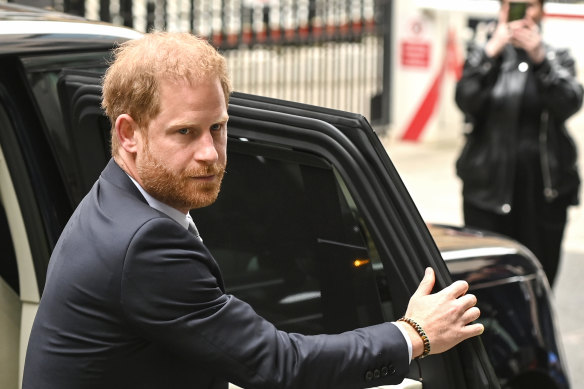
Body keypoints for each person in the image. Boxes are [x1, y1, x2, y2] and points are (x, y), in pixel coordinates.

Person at [23, 31, 483, 389]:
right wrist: (414, 333)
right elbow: (277, 367)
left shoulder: (115, 198)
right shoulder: (144, 244)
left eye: (218, 127)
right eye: (185, 133)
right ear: (128, 134)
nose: (210, 153)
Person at [455, 0, 583, 287]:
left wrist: (540, 59)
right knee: (484, 280)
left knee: (540, 278)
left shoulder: (556, 56)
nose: (521, 12)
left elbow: (569, 103)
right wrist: (490, 53)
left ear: (541, 11)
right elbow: (465, 100)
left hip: (544, 192)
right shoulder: (484, 54)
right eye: (512, 5)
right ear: (501, 11)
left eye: (529, 5)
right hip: (486, 189)